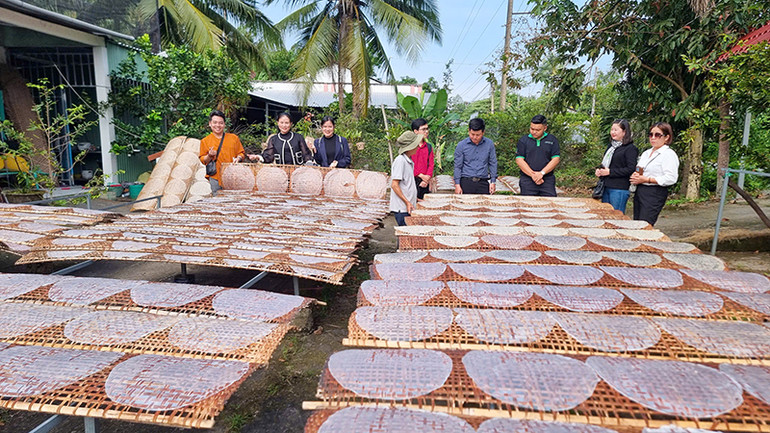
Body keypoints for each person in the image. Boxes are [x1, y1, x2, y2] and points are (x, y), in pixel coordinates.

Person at [630, 122, 680, 226]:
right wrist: (636, 176)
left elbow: (671, 178)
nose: (653, 138)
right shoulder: (646, 153)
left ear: (666, 137)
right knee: (637, 223)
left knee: (645, 224)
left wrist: (647, 179)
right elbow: (640, 169)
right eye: (651, 134)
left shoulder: (668, 154)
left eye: (657, 135)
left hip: (655, 192)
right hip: (640, 190)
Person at [594, 119, 639, 213]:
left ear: (624, 132)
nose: (613, 132)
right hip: (606, 186)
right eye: (612, 130)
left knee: (616, 215)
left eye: (616, 130)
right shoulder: (611, 147)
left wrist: (610, 172)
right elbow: (607, 164)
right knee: (605, 215)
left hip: (619, 188)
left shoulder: (630, 148)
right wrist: (600, 170)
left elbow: (630, 168)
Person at [199, 109, 246, 193]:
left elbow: (241, 153)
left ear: (224, 124)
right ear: (210, 123)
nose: (218, 125)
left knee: (234, 199)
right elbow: (203, 160)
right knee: (217, 199)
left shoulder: (234, 138)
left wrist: (238, 158)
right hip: (215, 177)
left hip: (233, 177)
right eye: (215, 122)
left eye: (221, 123)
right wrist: (209, 155)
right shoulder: (205, 141)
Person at [515, 114, 561, 196]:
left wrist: (541, 173)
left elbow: (556, 159)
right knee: (527, 203)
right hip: (527, 180)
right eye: (532, 129)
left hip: (547, 180)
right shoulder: (523, 140)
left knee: (550, 202)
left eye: (538, 130)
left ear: (545, 128)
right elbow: (519, 160)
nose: (534, 132)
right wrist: (533, 175)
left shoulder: (552, 140)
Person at [453, 118, 497, 195]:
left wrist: (493, 181)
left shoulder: (489, 144)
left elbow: (492, 163)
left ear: (483, 132)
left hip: (483, 182)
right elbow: (458, 166)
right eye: (472, 134)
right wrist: (457, 184)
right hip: (466, 182)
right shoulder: (461, 145)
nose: (474, 137)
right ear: (469, 131)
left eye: (478, 135)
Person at [390, 131, 422, 226]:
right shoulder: (400, 161)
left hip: (407, 205)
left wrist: (414, 198)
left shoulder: (408, 161)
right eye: (416, 145)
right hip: (402, 208)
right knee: (405, 232)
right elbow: (394, 185)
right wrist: (407, 202)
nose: (418, 147)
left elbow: (406, 184)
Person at [410, 118, 435, 200]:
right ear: (416, 131)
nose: (426, 131)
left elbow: (431, 164)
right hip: (411, 180)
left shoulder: (429, 147)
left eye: (427, 129)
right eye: (423, 129)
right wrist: (420, 175)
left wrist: (426, 178)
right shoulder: (410, 147)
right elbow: (408, 164)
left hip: (425, 182)